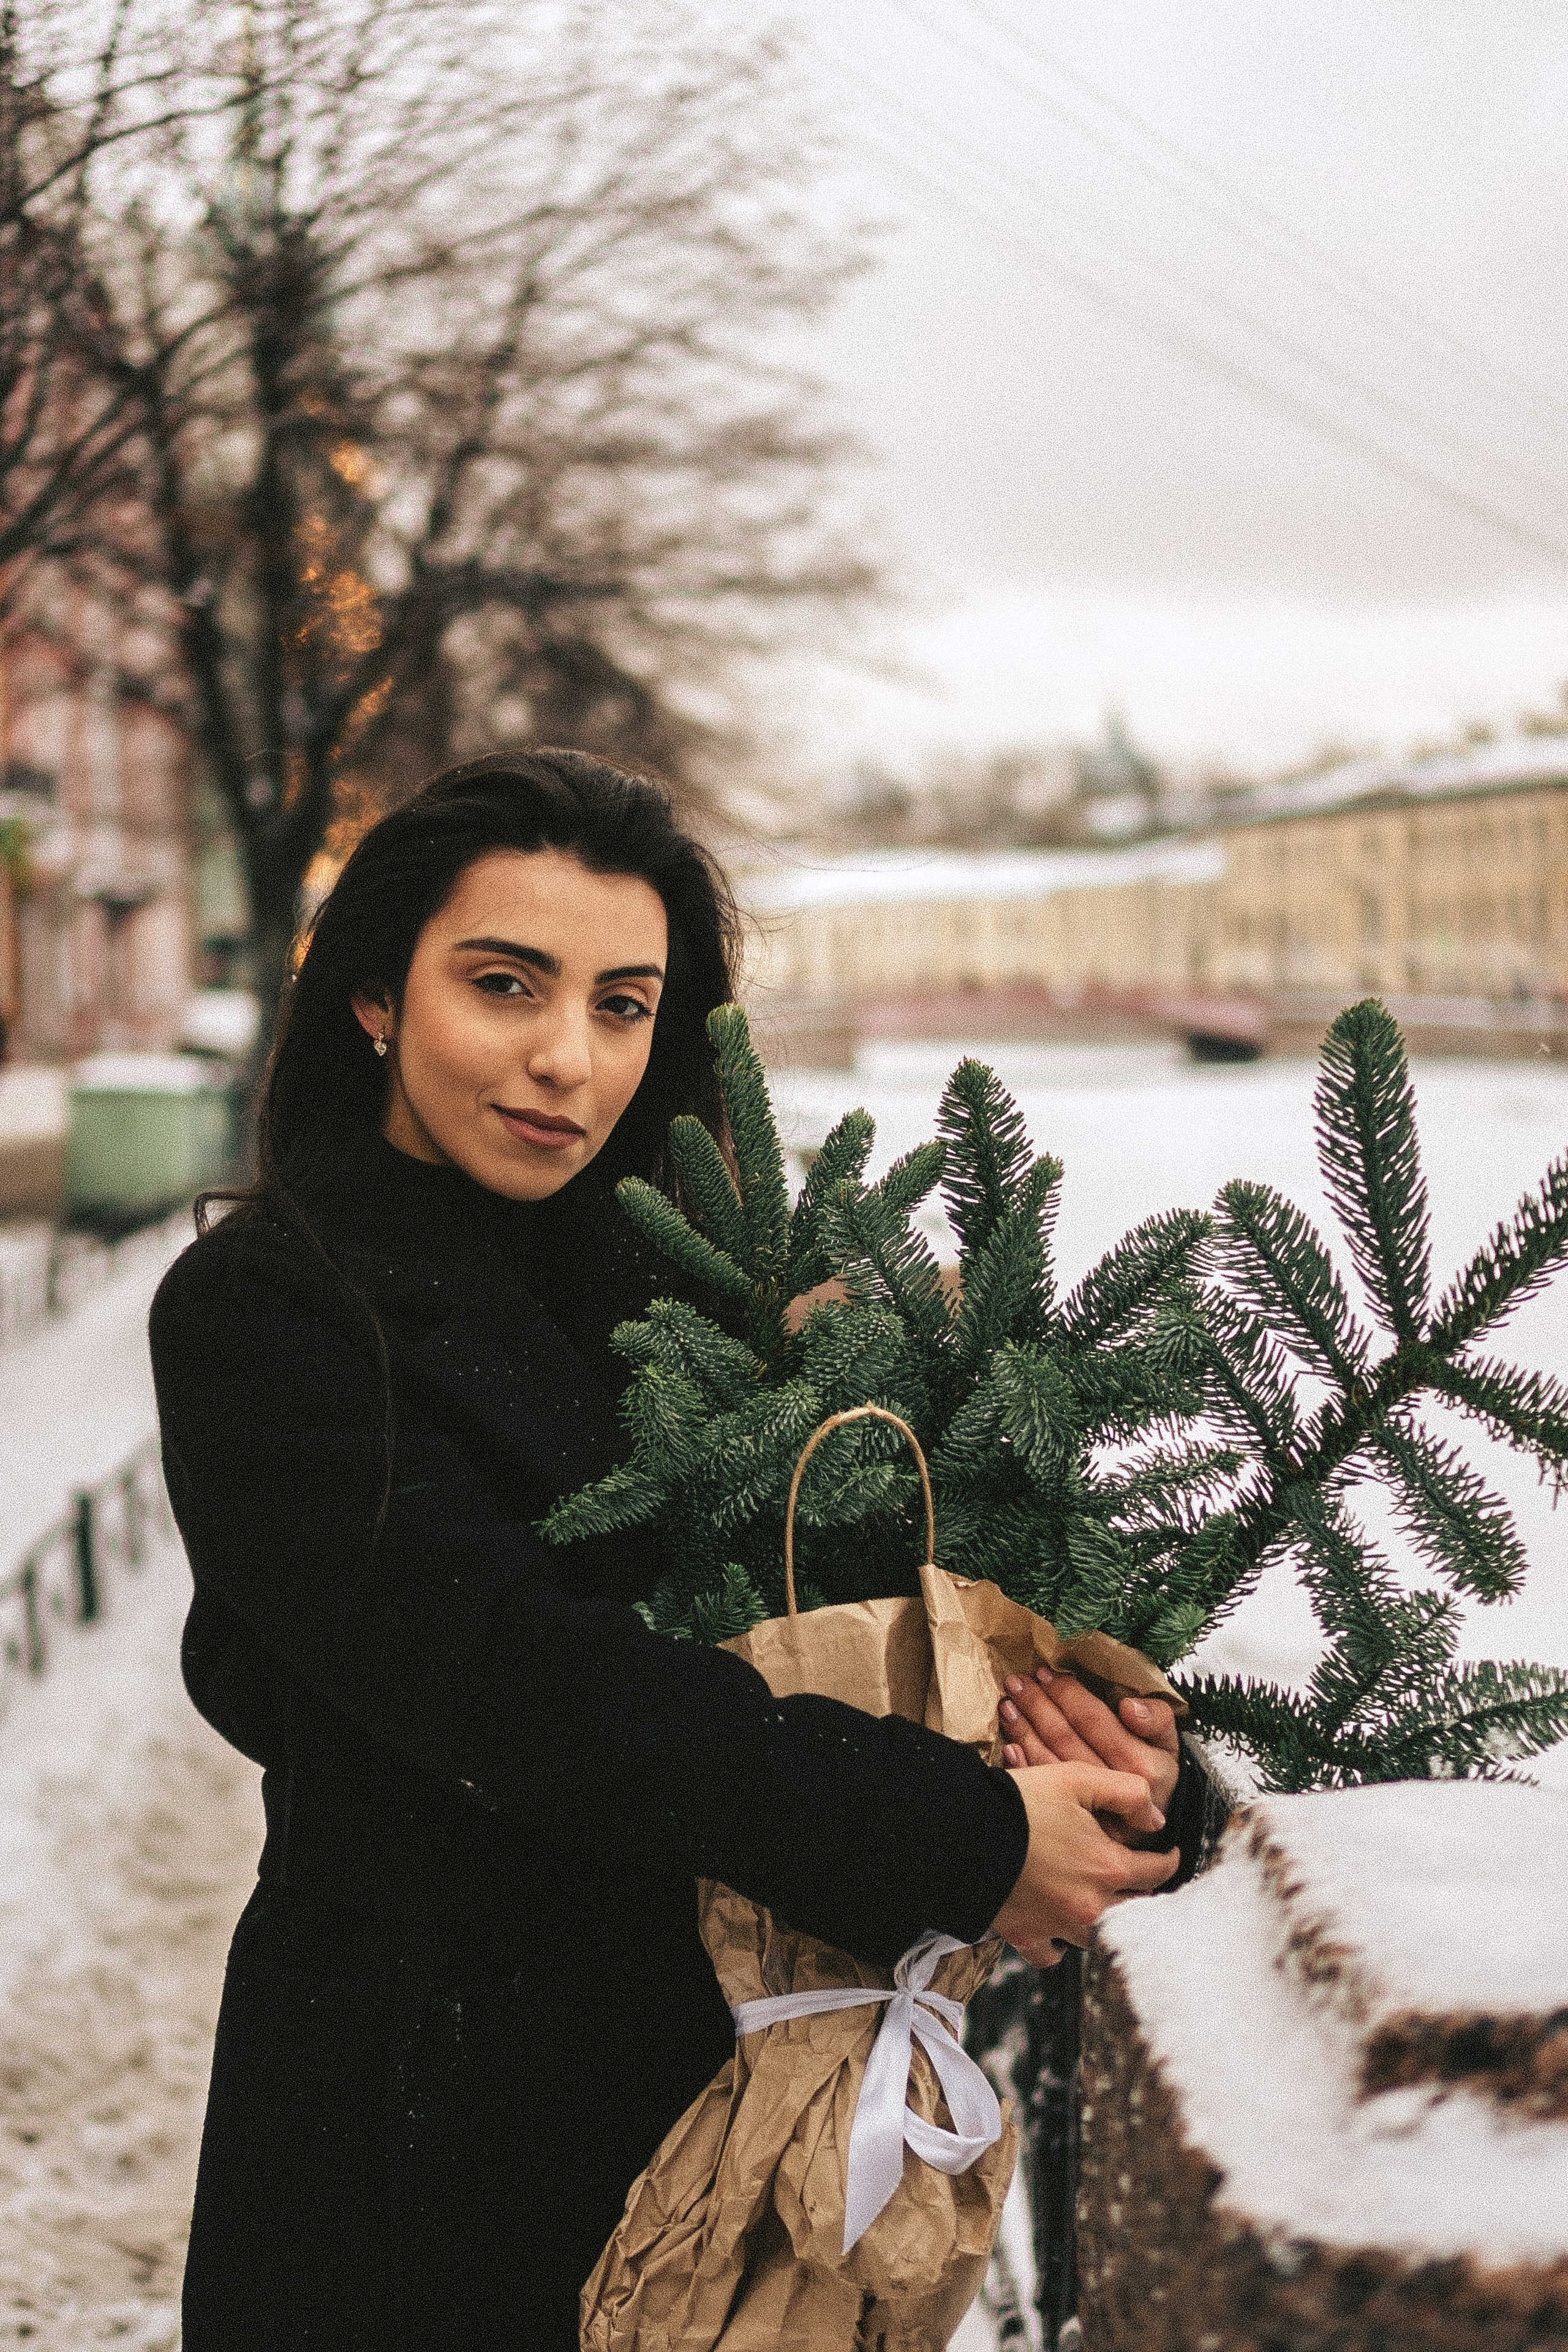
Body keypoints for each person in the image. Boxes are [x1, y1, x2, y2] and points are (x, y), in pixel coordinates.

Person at [150, 750, 1200, 2352]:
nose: (566, 1059)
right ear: (375, 993)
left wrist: (1081, 1730)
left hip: (723, 2109)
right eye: (505, 985)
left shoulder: (704, 1302)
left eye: (623, 1005)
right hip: (416, 2132)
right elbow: (518, 1686)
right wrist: (970, 1838)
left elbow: (891, 1595)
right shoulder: (266, 1314)